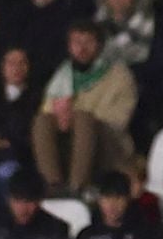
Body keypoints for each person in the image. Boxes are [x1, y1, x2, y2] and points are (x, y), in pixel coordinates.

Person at [32, 20, 137, 195]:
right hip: (67, 141)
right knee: (42, 121)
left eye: (88, 42)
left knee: (83, 120)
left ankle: (78, 188)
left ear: (100, 45)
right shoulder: (62, 76)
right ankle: (53, 185)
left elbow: (119, 119)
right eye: (76, 42)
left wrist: (75, 117)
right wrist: (62, 120)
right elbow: (48, 108)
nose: (82, 48)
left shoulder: (119, 75)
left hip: (106, 144)